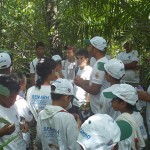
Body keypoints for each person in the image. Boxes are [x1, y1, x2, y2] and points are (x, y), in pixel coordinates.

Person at [36, 78, 81, 150]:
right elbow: (75, 147)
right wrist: (78, 127)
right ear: (66, 97)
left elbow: (39, 140)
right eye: (71, 98)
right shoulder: (68, 118)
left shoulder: (41, 114)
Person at [74, 36, 110, 114]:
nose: (88, 48)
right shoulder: (103, 61)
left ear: (95, 49)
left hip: (99, 110)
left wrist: (80, 84)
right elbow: (97, 82)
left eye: (89, 46)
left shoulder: (100, 65)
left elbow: (94, 90)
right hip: (99, 107)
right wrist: (83, 81)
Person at [103, 84, 146, 150]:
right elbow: (143, 136)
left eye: (114, 99)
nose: (111, 101)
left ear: (123, 103)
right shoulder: (138, 116)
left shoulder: (121, 122)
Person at [0, 75, 26, 150]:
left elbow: (17, 120)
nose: (14, 100)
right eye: (11, 97)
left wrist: (22, 124)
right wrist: (2, 132)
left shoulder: (14, 105)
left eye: (16, 96)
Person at [12, 72, 34, 148]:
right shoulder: (22, 102)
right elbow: (30, 119)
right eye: (25, 83)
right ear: (21, 85)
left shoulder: (7, 99)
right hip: (22, 140)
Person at [71, 49, 92, 114]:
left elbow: (90, 89)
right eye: (77, 58)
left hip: (83, 104)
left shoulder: (90, 71)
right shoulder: (77, 69)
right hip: (75, 102)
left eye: (81, 58)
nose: (79, 60)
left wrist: (87, 104)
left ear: (86, 59)